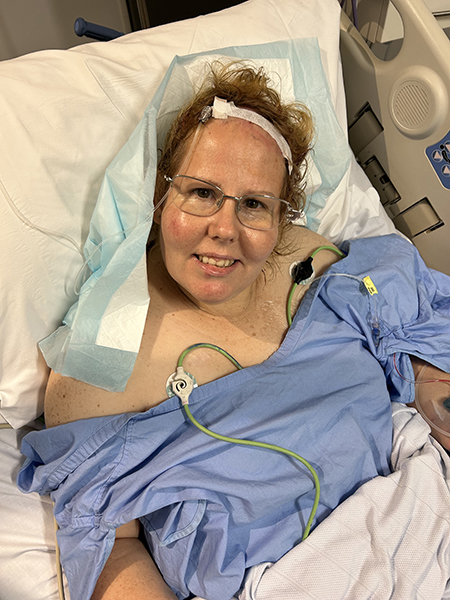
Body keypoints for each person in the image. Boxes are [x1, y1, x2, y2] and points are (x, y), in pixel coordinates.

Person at [18, 63, 450, 600]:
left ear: (282, 214)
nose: (224, 230)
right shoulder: (102, 365)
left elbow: (412, 326)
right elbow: (110, 544)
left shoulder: (305, 256)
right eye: (201, 193)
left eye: (253, 204)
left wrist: (434, 393)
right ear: (159, 192)